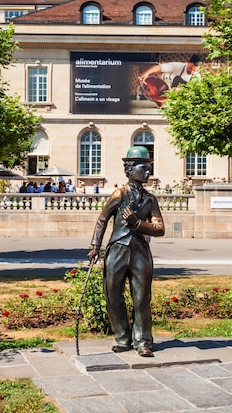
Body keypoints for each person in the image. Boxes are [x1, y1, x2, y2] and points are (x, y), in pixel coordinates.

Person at [87, 146, 165, 357]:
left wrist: (137, 223)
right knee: (113, 295)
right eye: (145, 168)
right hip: (117, 250)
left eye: (150, 168)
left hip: (140, 252)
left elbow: (160, 229)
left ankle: (143, 341)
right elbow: (102, 220)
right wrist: (95, 246)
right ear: (130, 169)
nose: (149, 172)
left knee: (141, 298)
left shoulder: (150, 200)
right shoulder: (119, 194)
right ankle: (122, 337)